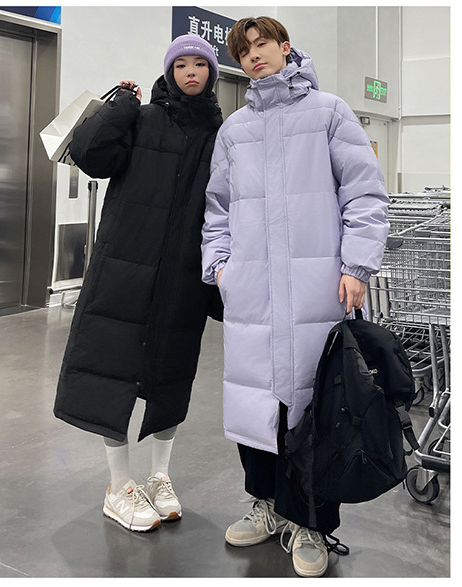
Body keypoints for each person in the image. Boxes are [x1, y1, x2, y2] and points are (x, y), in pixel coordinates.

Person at [201, 17, 390, 577]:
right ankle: (265, 504)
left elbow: (363, 192)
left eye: (262, 45)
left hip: (317, 288)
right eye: (244, 51)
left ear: (285, 48)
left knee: (317, 407)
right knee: (256, 405)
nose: (254, 56)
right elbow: (217, 207)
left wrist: (357, 265)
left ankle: (312, 523)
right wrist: (221, 268)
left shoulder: (329, 112)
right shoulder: (234, 130)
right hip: (252, 293)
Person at [54, 34, 223, 533]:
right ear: (169, 72)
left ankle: (159, 477)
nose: (190, 72)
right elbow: (91, 156)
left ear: (212, 74)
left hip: (182, 276)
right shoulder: (142, 117)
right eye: (181, 65)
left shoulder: (220, 133)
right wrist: (119, 108)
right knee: (112, 370)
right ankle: (118, 486)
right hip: (123, 269)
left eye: (200, 65)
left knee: (172, 374)